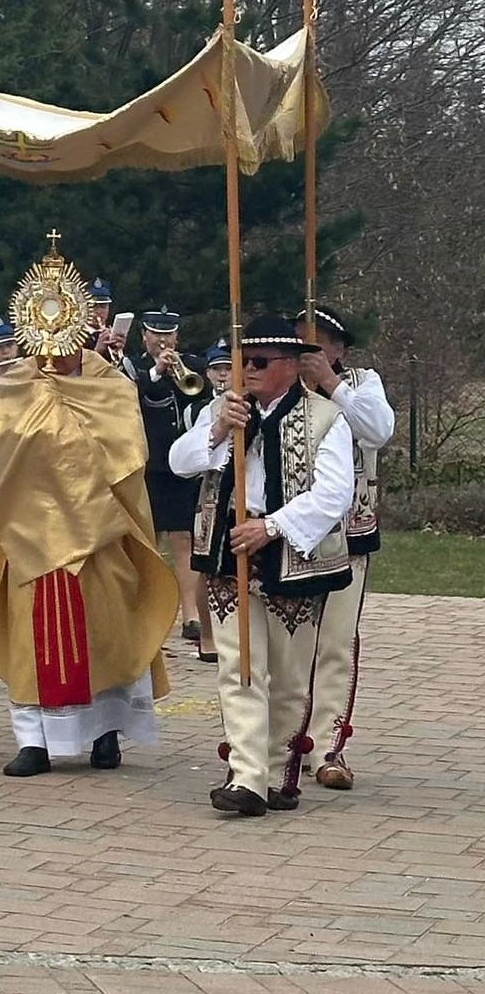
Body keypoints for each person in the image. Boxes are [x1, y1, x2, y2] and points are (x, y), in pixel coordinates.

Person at [0, 253, 177, 778]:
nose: (56, 347)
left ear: (84, 327)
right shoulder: (12, 385)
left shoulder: (113, 387)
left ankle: (106, 734)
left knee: (107, 632)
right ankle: (33, 741)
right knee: (31, 641)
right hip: (28, 535)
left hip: (99, 532)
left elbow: (127, 459)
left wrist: (74, 465)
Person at [171, 314, 355, 817]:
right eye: (240, 361)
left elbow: (335, 493)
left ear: (291, 366)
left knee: (290, 677)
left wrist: (271, 526)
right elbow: (178, 462)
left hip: (293, 554)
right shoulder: (226, 408)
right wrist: (215, 430)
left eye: (258, 362)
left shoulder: (325, 419)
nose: (246, 371)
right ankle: (247, 776)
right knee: (239, 666)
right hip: (231, 552)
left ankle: (277, 772)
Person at [300, 307, 394, 791]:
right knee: (288, 646)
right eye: (301, 339)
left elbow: (378, 430)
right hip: (289, 534)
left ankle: (327, 746)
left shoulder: (362, 383)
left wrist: (332, 386)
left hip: (348, 535)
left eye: (321, 341)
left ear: (338, 349)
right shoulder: (278, 387)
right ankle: (282, 742)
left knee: (335, 641)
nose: (309, 349)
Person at [128, 309, 210, 651]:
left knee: (184, 539)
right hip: (149, 464)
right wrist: (157, 372)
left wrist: (176, 368)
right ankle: (145, 613)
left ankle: (191, 615)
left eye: (169, 335)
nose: (163, 340)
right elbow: (130, 397)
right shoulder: (133, 368)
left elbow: (198, 397)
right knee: (148, 540)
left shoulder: (192, 364)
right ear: (144, 336)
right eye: (155, 334)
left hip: (182, 468)